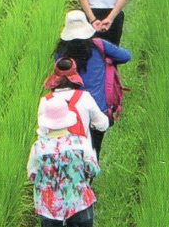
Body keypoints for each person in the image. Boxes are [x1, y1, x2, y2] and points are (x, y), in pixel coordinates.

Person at [30, 96, 99, 227]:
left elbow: (32, 173)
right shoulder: (80, 143)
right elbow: (93, 168)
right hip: (78, 200)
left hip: (49, 206)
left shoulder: (39, 147)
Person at [55, 10, 131, 153]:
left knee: (74, 152)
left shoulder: (61, 53)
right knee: (94, 150)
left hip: (72, 111)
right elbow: (126, 56)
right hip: (98, 109)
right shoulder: (98, 45)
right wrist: (107, 59)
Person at [41, 59, 109, 161]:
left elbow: (43, 131)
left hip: (53, 163)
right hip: (81, 159)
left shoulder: (45, 101)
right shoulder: (84, 97)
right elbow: (102, 124)